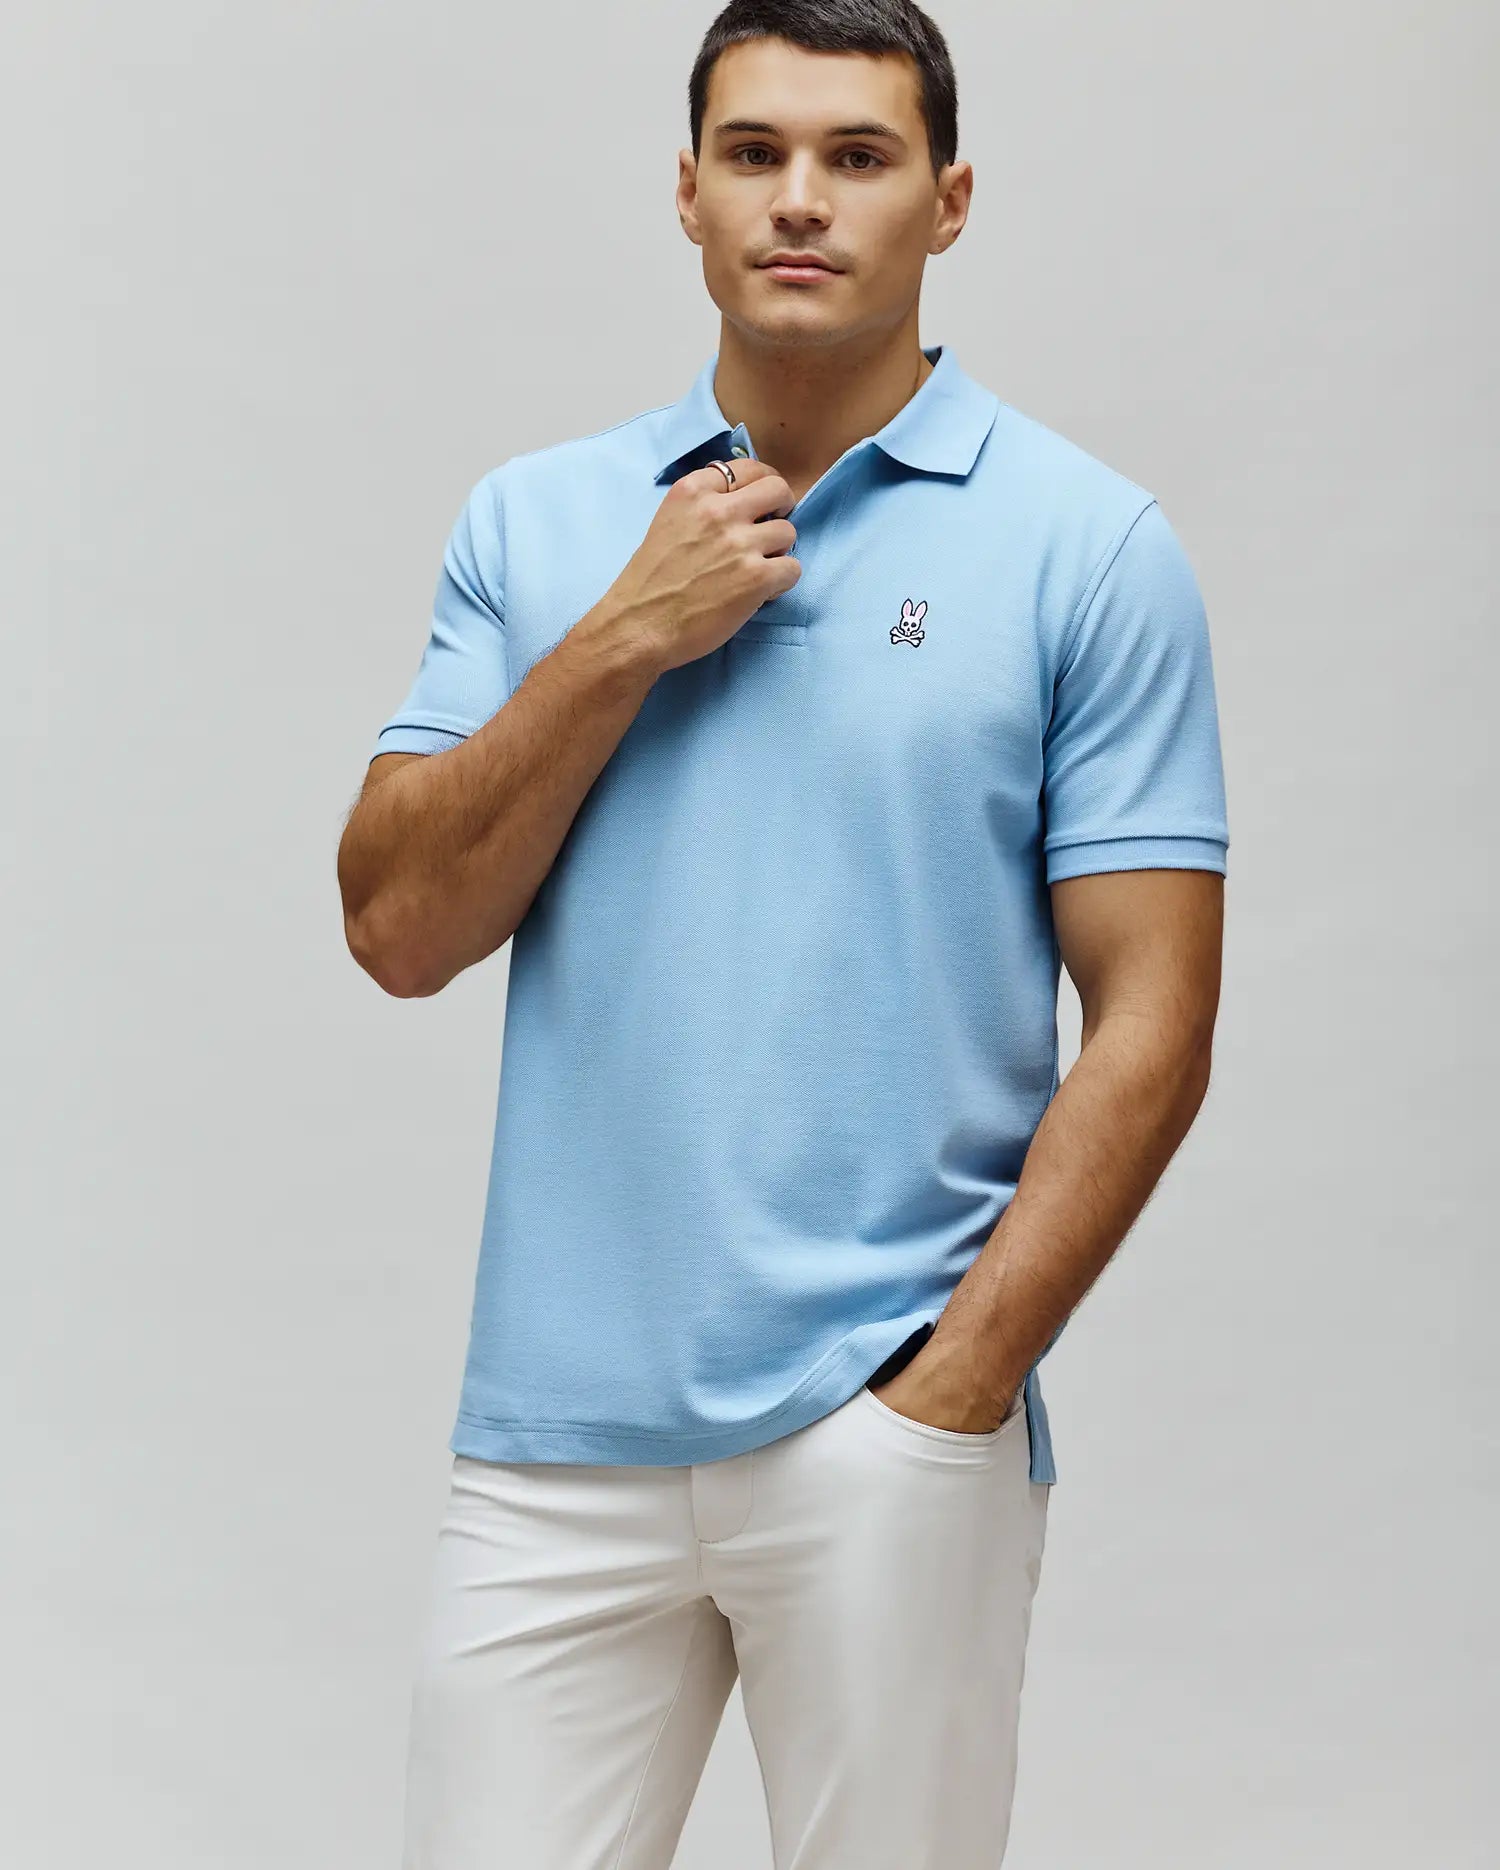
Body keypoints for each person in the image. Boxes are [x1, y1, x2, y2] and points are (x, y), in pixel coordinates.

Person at [337, 3, 1229, 1864]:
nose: (800, 200)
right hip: (555, 1439)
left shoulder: (1088, 546)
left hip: (885, 1421)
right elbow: (400, 925)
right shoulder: (541, 521)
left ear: (949, 201)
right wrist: (624, 632)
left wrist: (953, 1391)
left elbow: (1154, 1012)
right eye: (754, 154)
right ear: (687, 193)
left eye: (857, 155)